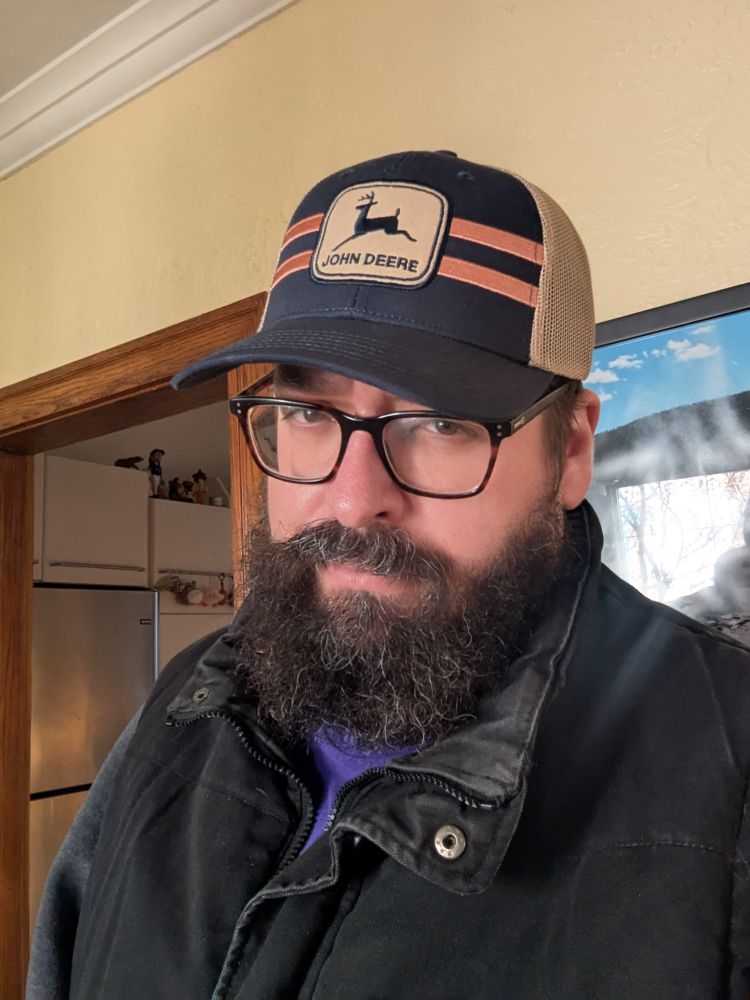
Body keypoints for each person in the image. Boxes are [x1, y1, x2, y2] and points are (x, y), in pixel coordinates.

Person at [28, 151, 750, 999]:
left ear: (573, 452)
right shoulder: (186, 699)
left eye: (439, 422)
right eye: (305, 413)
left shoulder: (727, 776)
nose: (351, 500)